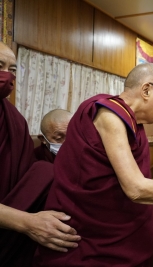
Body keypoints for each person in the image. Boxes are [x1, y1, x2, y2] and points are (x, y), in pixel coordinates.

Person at [34, 63, 153, 267]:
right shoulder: (109, 114)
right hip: (94, 247)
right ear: (146, 90)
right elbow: (135, 189)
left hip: (129, 240)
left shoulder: (135, 125)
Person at [0, 42, 80, 266]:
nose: (7, 76)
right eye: (0, 66)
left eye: (13, 70)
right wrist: (26, 223)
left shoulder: (14, 120)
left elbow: (28, 184)